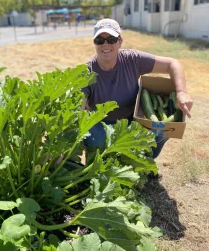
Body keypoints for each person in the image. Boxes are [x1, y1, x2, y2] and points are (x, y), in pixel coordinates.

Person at [82, 18, 193, 159]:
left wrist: (182, 92)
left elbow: (172, 64)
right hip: (102, 125)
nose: (105, 44)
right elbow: (78, 107)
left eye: (111, 39)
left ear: (120, 41)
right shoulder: (86, 72)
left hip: (133, 120)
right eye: (99, 40)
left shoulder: (132, 59)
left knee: (163, 129)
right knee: (94, 139)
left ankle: (145, 162)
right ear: (94, 43)